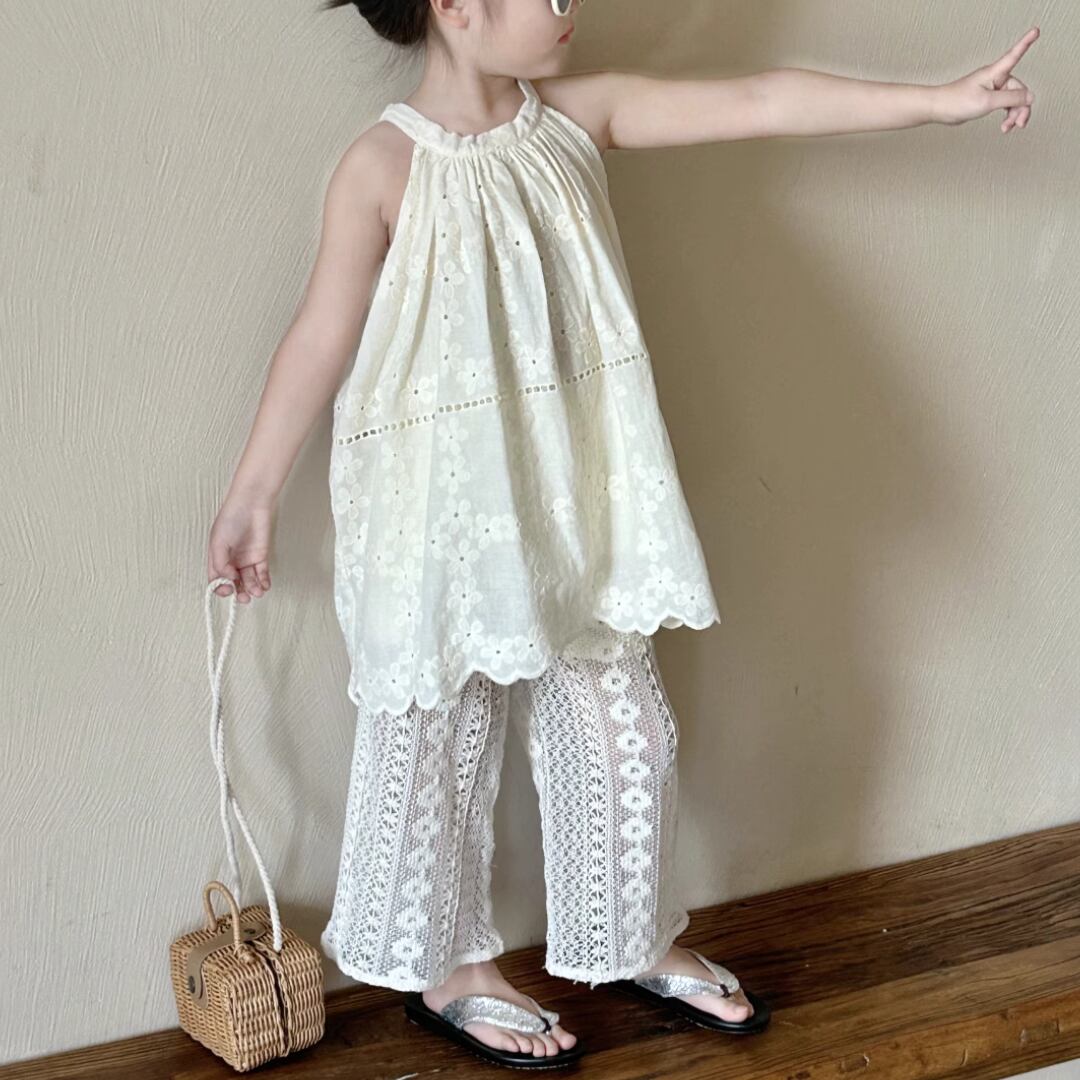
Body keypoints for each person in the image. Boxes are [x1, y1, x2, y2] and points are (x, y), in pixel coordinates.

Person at [206, 0, 1039, 1068]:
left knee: (625, 730)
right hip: (440, 501)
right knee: (437, 735)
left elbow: (758, 98)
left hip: (573, 488)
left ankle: (630, 934)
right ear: (456, 7)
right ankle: (450, 969)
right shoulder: (381, 165)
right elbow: (322, 332)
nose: (571, 6)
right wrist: (254, 492)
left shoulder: (576, 116)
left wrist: (938, 101)